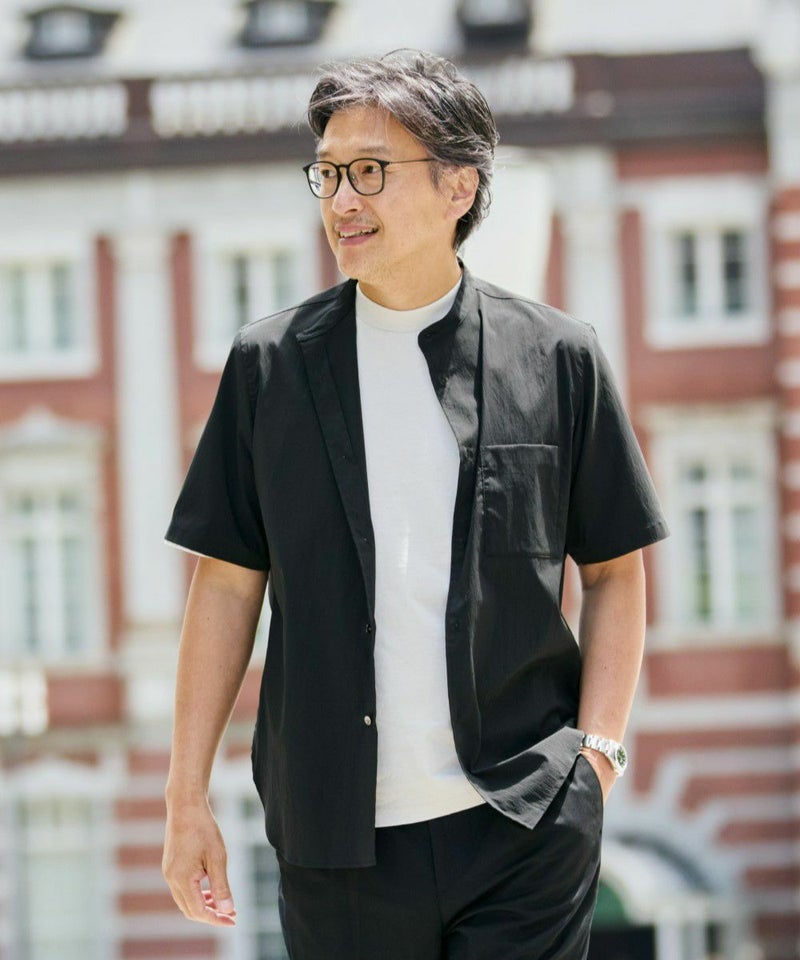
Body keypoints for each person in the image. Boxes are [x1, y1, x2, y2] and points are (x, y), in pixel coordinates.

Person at [161, 49, 669, 960]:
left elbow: (615, 571)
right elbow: (226, 585)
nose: (341, 200)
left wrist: (597, 757)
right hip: (335, 840)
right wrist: (184, 795)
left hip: (524, 823)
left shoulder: (558, 357)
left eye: (370, 171)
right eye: (327, 174)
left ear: (457, 187)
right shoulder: (267, 369)